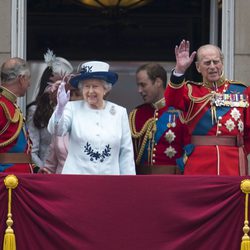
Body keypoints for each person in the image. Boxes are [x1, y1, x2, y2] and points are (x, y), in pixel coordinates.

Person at [164, 40, 250, 176]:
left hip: (232, 163)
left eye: (216, 62)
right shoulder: (191, 91)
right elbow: (171, 101)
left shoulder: (242, 91)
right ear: (198, 67)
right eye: (207, 63)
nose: (212, 66)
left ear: (222, 63)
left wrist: (241, 151)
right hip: (199, 164)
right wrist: (179, 70)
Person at [47, 61, 136, 175]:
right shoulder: (71, 108)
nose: (90, 91)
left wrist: (128, 183)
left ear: (105, 89)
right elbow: (56, 130)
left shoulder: (119, 112)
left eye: (95, 86)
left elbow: (126, 153)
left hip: (109, 182)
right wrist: (60, 109)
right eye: (86, 86)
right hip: (77, 182)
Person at [129, 63, 189, 174]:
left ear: (158, 82)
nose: (139, 90)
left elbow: (190, 147)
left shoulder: (180, 112)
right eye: (138, 85)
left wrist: (179, 170)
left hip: (172, 180)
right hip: (142, 180)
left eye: (143, 85)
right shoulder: (136, 114)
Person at [26, 49, 73, 169]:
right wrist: (45, 171)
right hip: (46, 172)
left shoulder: (72, 109)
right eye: (59, 84)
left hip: (72, 172)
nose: (63, 88)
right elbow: (32, 150)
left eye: (67, 84)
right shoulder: (35, 110)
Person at [0, 57, 34, 173]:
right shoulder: (2, 105)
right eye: (28, 79)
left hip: (18, 178)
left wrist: (35, 168)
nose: (29, 84)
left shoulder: (9, 104)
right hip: (7, 181)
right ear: (21, 79)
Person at [39, 86, 82, 174]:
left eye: (78, 95)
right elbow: (51, 163)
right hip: (62, 182)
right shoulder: (59, 124)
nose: (73, 99)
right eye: (71, 95)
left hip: (88, 181)